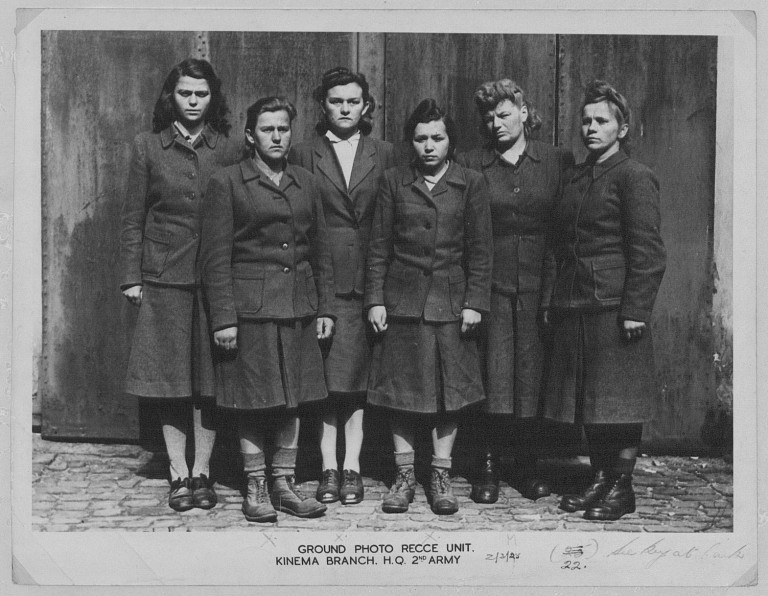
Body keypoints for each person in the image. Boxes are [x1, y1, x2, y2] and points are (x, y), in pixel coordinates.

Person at [200, 96, 335, 523]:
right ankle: (255, 485)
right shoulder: (228, 182)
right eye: (267, 129)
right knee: (252, 399)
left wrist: (326, 308)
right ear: (250, 136)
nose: (276, 136)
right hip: (250, 309)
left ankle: (284, 483)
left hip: (297, 305)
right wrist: (224, 318)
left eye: (283, 129)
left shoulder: (306, 182)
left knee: (291, 399)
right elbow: (216, 257)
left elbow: (321, 251)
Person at [119, 58, 240, 512]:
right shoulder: (147, 147)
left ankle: (204, 471)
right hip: (164, 276)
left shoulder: (227, 149)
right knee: (170, 379)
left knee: (207, 380)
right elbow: (133, 218)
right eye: (185, 93)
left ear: (213, 99)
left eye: (202, 94)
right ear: (172, 96)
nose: (193, 102)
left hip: (213, 278)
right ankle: (178, 473)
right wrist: (133, 276)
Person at [544, 80, 666, 521]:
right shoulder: (577, 177)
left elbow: (648, 252)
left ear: (623, 127)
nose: (591, 128)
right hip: (576, 302)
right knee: (591, 399)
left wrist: (636, 310)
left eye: (602, 121)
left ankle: (622, 485)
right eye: (586, 120)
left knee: (620, 399)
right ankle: (600, 477)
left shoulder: (634, 176)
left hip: (615, 307)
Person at [365, 99, 492, 515]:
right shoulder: (393, 182)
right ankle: (403, 476)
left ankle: (440, 473)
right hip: (403, 303)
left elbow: (481, 250)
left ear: (450, 141)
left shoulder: (470, 183)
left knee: (448, 393)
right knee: (401, 392)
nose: (429, 146)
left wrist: (475, 303)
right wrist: (375, 300)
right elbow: (379, 247)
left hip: (451, 304)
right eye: (420, 139)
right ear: (411, 143)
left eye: (437, 138)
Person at [456, 79, 574, 504]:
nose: (496, 123)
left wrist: (553, 291)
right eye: (488, 117)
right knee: (491, 375)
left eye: (504, 114)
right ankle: (485, 464)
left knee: (532, 377)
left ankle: (526, 463)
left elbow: (565, 228)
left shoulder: (556, 161)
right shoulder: (472, 163)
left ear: (524, 113)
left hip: (541, 285)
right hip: (491, 284)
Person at [289, 67, 396, 506]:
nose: (345, 109)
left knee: (354, 381)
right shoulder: (302, 153)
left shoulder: (384, 152)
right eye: (336, 101)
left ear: (366, 106)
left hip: (368, 278)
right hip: (320, 276)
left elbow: (391, 219)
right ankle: (326, 467)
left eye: (353, 101)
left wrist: (380, 289)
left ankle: (352, 465)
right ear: (323, 105)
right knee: (325, 381)